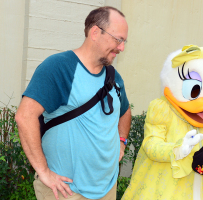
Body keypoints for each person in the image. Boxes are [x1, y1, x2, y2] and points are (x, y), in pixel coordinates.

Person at [15, 6, 131, 200]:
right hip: (66, 191)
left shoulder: (113, 76)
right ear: (95, 32)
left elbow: (125, 111)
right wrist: (43, 172)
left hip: (107, 188)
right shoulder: (59, 67)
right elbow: (24, 117)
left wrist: (122, 141)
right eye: (118, 39)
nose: (122, 47)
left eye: (124, 41)